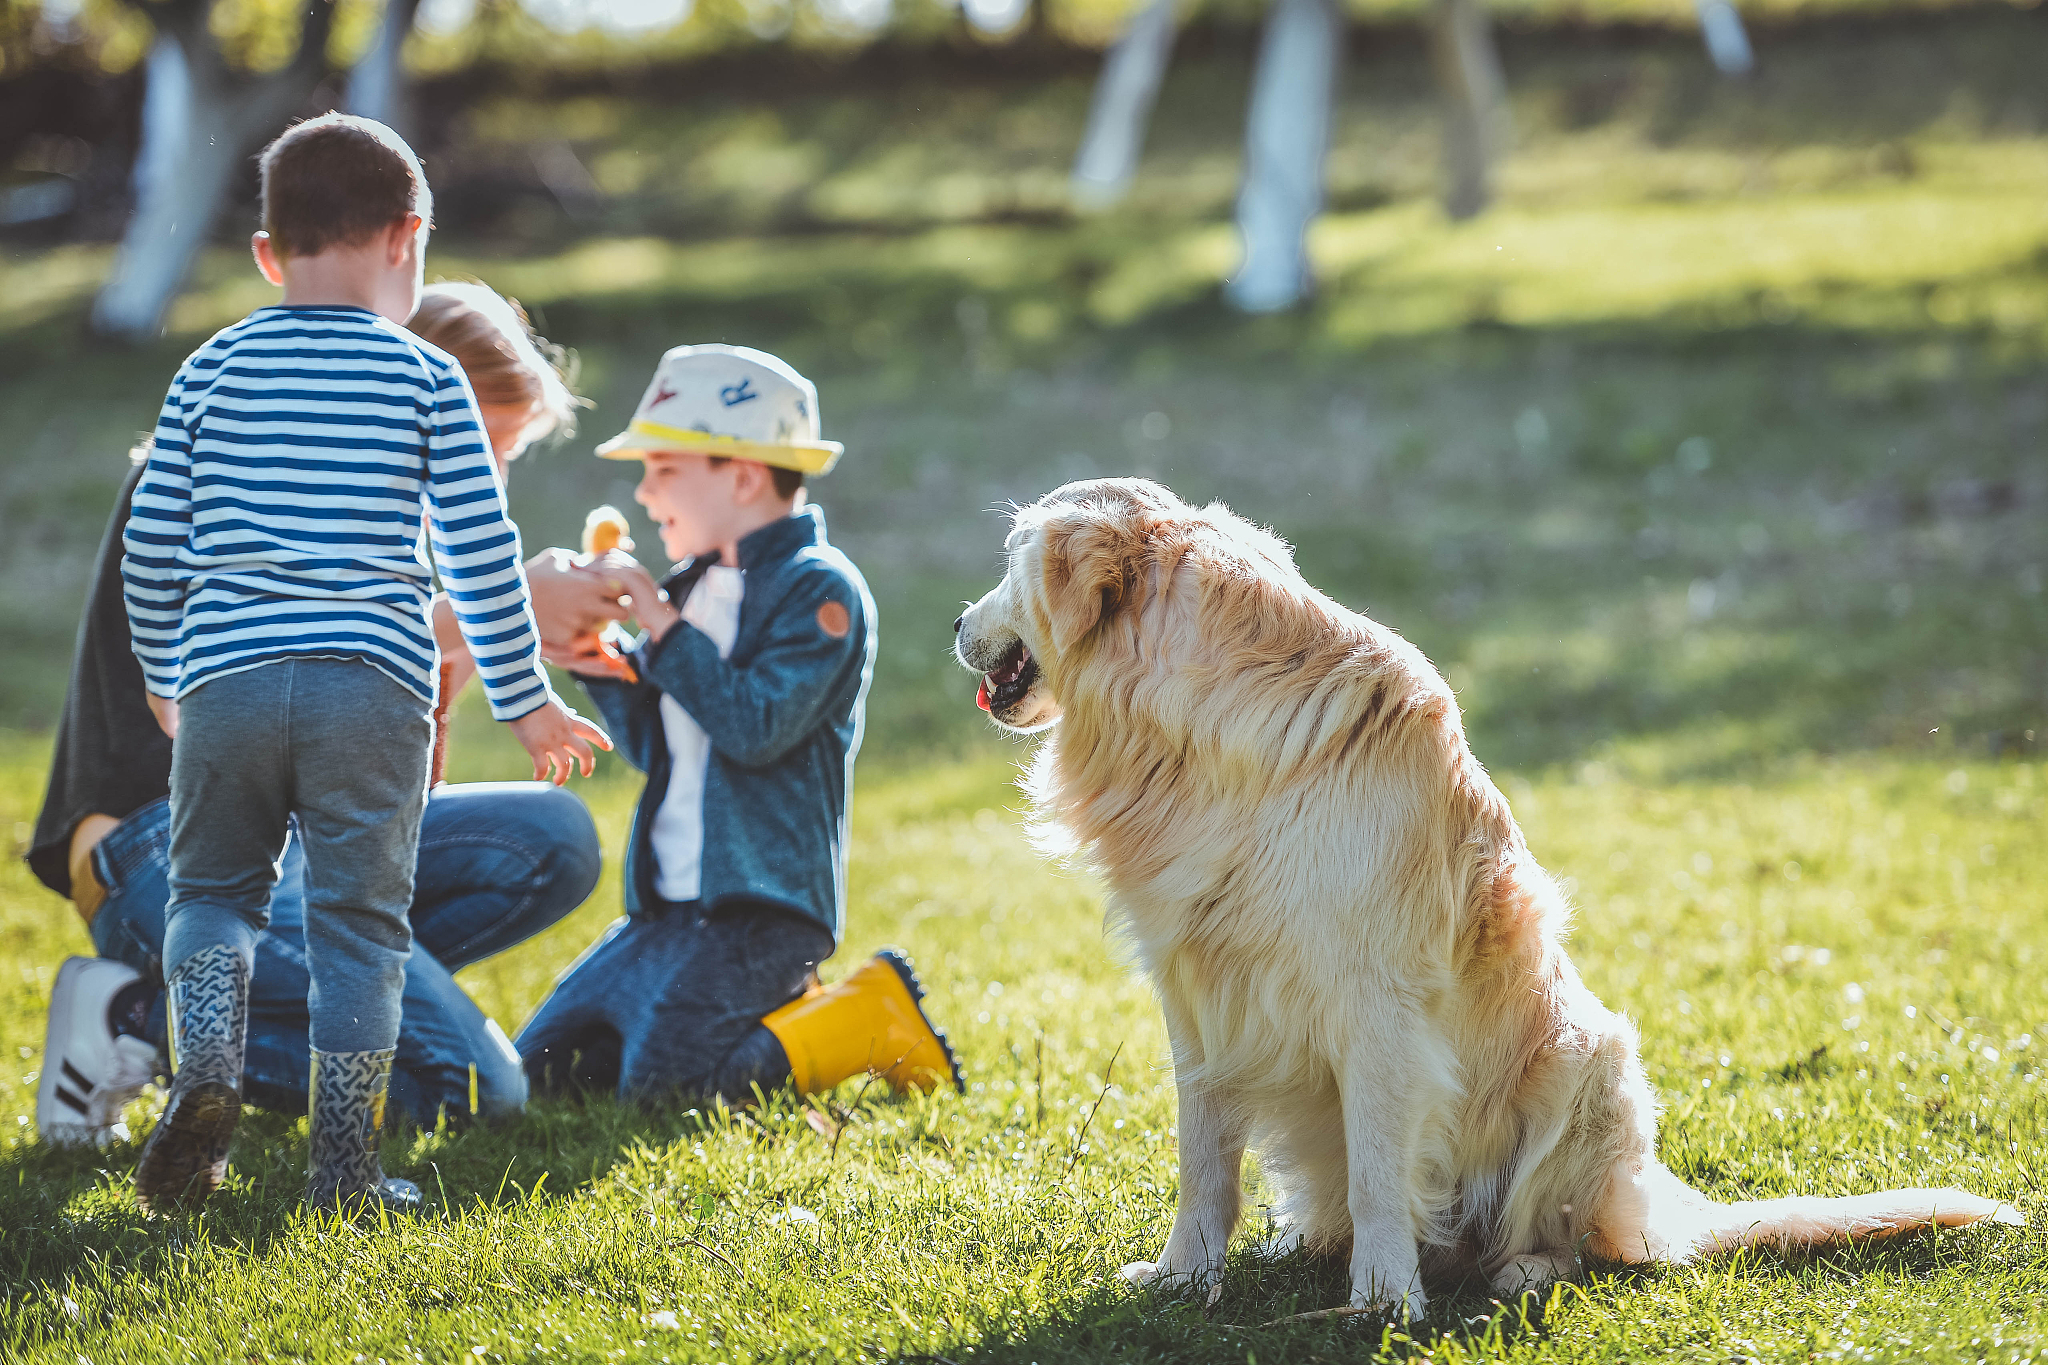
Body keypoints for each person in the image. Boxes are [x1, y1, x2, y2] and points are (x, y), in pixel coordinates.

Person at [117, 113, 608, 1214]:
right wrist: (528, 705)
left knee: (214, 894)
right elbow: (480, 558)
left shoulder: (211, 365)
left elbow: (154, 542)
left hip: (226, 684)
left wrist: (165, 671)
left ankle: (207, 1070)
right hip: (368, 689)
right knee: (358, 929)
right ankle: (342, 1168)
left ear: (264, 253)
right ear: (407, 241)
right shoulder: (424, 375)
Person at [31, 281, 622, 1162]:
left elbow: (382, 801)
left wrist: (458, 658)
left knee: (553, 837)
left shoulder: (393, 543)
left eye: (502, 455)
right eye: (478, 442)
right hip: (157, 847)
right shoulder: (229, 458)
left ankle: (348, 1013)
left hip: (307, 851)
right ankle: (130, 1020)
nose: (484, 479)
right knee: (469, 1090)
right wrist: (504, 608)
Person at [517, 344, 963, 1104]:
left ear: (745, 475)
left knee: (664, 1091)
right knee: (541, 1077)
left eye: (663, 470)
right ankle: (776, 1017)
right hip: (669, 910)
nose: (645, 494)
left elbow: (756, 726)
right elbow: (660, 746)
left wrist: (657, 624)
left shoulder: (820, 591)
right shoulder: (687, 587)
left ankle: (867, 1015)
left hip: (761, 911)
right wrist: (599, 663)